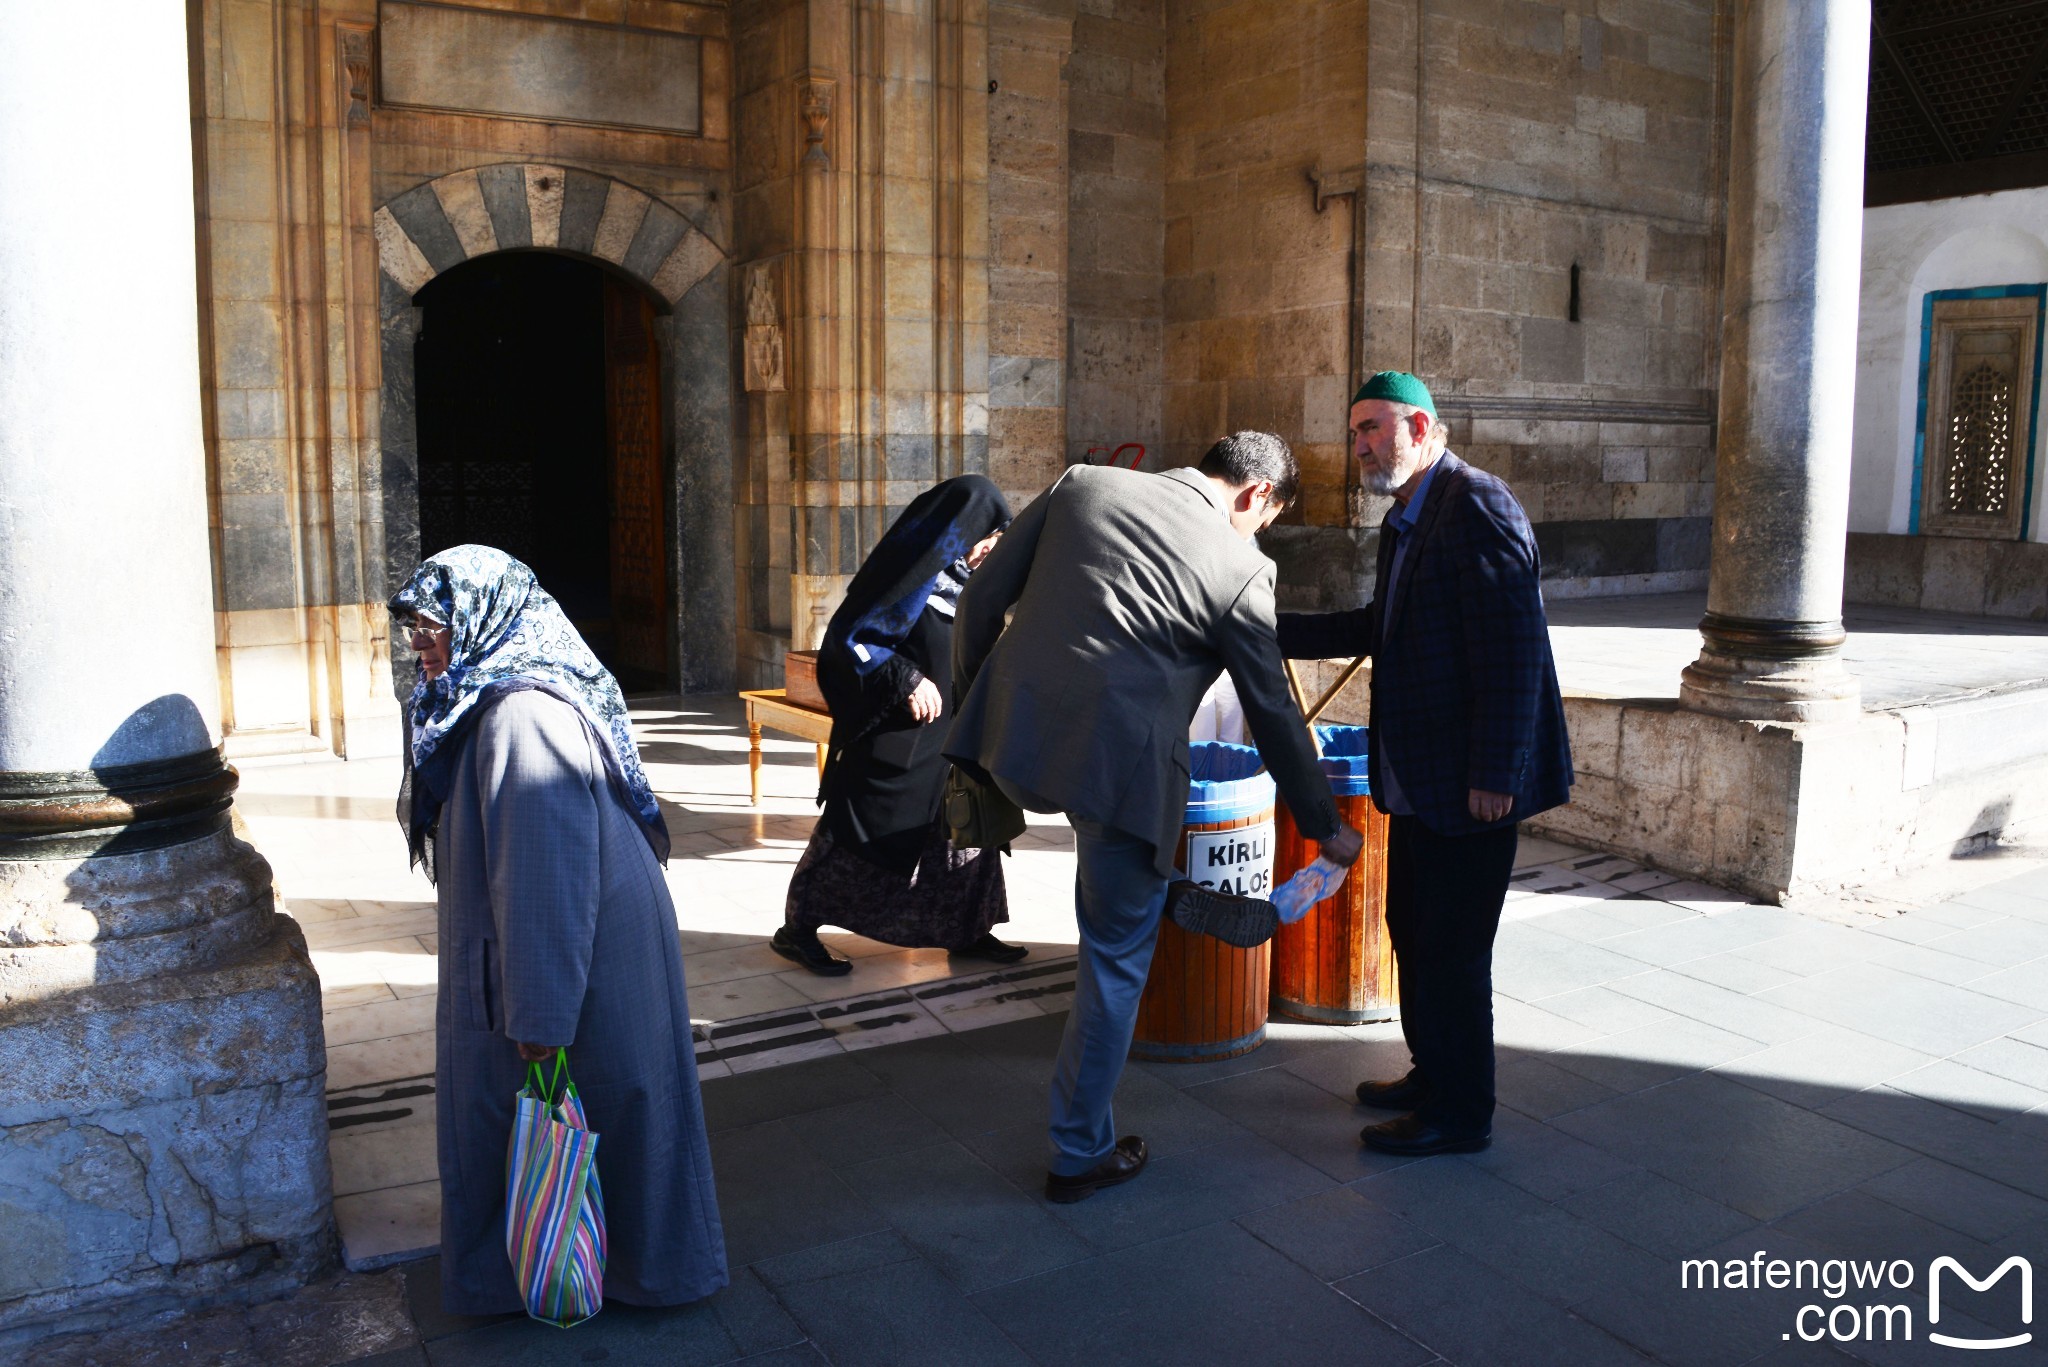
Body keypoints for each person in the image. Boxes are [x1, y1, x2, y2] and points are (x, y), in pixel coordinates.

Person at [946, 433, 1365, 1203]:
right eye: (1264, 521)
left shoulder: (1083, 484)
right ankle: (1078, 1152)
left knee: (1109, 865)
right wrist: (1323, 821)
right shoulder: (1244, 569)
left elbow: (978, 598)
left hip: (1020, 736)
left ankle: (1158, 883)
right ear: (1256, 496)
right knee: (1112, 955)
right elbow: (1271, 710)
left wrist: (977, 710)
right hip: (1123, 776)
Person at [390, 545, 727, 1315]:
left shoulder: (520, 713)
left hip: (582, 944)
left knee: (595, 1103)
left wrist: (539, 1019)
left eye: (435, 622)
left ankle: (613, 1271)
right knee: (597, 1109)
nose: (422, 641)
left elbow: (542, 876)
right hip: (585, 933)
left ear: (485, 617)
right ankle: (584, 1262)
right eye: (412, 624)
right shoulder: (484, 695)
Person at [1276, 371, 1572, 1158]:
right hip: (1416, 779)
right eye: (1355, 432)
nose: (1361, 445)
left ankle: (1462, 1112)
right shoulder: (1409, 515)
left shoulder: (1477, 503)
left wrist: (1497, 773)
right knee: (1411, 928)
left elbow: (1514, 651)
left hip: (1467, 785)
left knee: (1454, 950)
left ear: (1420, 425)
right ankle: (1430, 1072)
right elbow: (1383, 624)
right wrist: (1270, 630)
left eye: (1373, 428)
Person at [772, 475, 1027, 976]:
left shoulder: (980, 589)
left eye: (1000, 538)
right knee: (858, 833)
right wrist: (905, 677)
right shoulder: (911, 577)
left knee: (967, 835)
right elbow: (851, 639)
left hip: (960, 736)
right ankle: (798, 929)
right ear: (955, 532)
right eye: (985, 537)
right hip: (900, 738)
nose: (990, 550)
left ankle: (969, 929)